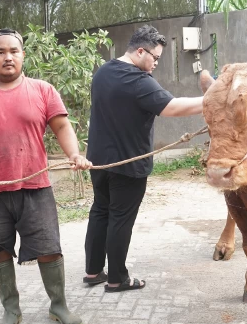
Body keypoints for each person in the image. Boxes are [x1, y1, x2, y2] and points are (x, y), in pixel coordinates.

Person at [0, 28, 92, 324]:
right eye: (0, 51)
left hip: (35, 188)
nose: (8, 57)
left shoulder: (42, 90)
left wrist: (75, 154)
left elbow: (62, 127)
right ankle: (11, 310)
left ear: (23, 55)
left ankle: (58, 306)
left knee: (49, 247)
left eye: (14, 51)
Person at [83, 25, 212, 292]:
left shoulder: (104, 72)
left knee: (100, 212)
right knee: (120, 218)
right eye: (155, 57)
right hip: (127, 165)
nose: (155, 63)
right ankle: (118, 278)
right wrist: (213, 99)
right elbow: (172, 107)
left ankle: (93, 271)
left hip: (98, 161)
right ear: (140, 51)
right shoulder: (137, 80)